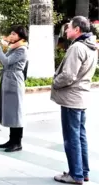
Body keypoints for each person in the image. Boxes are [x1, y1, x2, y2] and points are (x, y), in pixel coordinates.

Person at [52, 16, 97, 184]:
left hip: (72, 98)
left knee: (71, 137)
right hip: (81, 96)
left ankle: (75, 174)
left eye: (69, 27)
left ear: (77, 29)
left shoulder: (77, 47)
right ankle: (82, 172)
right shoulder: (91, 46)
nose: (66, 30)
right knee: (80, 136)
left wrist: (55, 82)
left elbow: (69, 75)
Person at [0, 25, 28, 152]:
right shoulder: (13, 47)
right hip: (8, 78)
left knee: (16, 111)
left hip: (14, 79)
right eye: (11, 33)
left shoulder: (22, 49)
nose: (11, 36)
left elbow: (6, 61)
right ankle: (12, 140)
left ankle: (17, 142)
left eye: (14, 34)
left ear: (20, 36)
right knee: (11, 111)